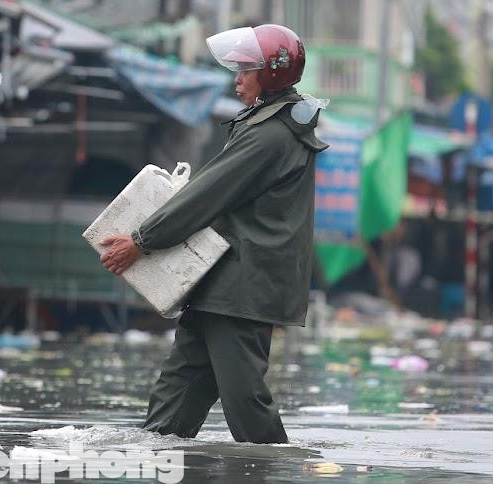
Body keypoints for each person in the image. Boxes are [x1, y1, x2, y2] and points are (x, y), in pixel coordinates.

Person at [99, 23, 327, 444]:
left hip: (243, 289)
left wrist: (141, 240)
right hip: (220, 282)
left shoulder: (271, 134)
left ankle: (272, 472)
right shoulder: (267, 123)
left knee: (245, 401)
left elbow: (207, 194)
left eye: (246, 70)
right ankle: (158, 461)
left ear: (271, 75)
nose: (237, 79)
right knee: (174, 401)